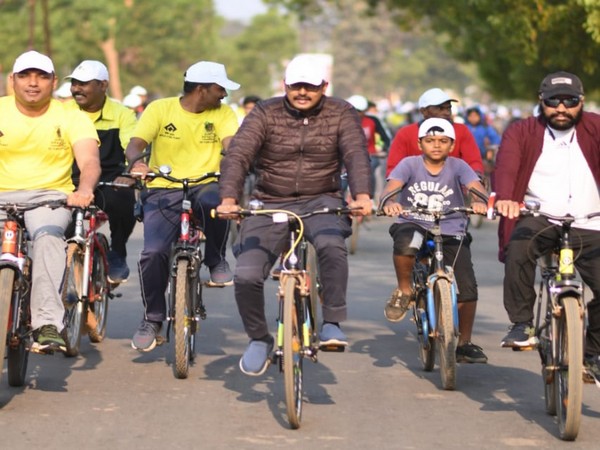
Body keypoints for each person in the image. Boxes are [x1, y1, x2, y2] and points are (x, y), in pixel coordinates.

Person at [216, 54, 372, 376]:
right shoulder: (265, 112)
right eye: (296, 86)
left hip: (322, 200)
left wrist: (362, 195)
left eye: (310, 87)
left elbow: (356, 153)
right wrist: (229, 198)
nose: (303, 92)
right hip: (269, 200)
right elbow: (239, 154)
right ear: (285, 85)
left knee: (330, 246)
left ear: (324, 87)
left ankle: (331, 322)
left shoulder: (341, 112)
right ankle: (258, 338)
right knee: (246, 275)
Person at [125, 61, 240, 352]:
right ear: (201, 89)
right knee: (153, 253)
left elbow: (231, 142)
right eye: (219, 88)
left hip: (205, 182)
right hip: (164, 187)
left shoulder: (224, 113)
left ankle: (216, 258)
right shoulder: (159, 109)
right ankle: (152, 318)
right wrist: (136, 162)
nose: (224, 94)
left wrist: (235, 158)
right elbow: (136, 143)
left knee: (216, 203)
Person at [494, 72, 600, 376]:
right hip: (539, 216)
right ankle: (521, 324)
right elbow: (507, 167)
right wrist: (505, 198)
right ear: (542, 101)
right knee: (518, 251)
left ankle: (593, 353)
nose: (562, 108)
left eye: (570, 101)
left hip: (591, 222)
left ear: (582, 101)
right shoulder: (522, 131)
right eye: (554, 101)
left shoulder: (596, 128)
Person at [0, 50, 100, 352]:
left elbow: (89, 160)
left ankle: (46, 323)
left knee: (47, 240)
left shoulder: (70, 115)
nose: (33, 83)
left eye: (42, 76)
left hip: (50, 199)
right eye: (25, 76)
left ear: (54, 82)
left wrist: (84, 189)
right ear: (12, 80)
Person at [381, 118, 489, 363]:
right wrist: (390, 203)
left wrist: (480, 201)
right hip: (415, 222)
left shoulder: (459, 166)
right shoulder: (409, 164)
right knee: (408, 243)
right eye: (430, 141)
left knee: (468, 286)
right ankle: (405, 289)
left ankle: (464, 343)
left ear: (451, 145)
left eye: (443, 141)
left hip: (451, 226)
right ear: (420, 143)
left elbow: (475, 186)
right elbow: (391, 187)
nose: (436, 146)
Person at [65, 60, 138, 283]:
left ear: (103, 85)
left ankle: (117, 251)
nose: (77, 88)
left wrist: (133, 170)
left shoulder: (123, 114)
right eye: (74, 83)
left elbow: (131, 145)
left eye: (84, 84)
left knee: (124, 200)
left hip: (109, 177)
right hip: (68, 177)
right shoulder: (62, 111)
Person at [386, 88, 484, 178]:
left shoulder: (462, 130)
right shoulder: (405, 133)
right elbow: (393, 168)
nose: (446, 112)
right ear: (423, 111)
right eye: (440, 108)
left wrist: (477, 175)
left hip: (455, 191)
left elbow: (473, 161)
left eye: (448, 108)